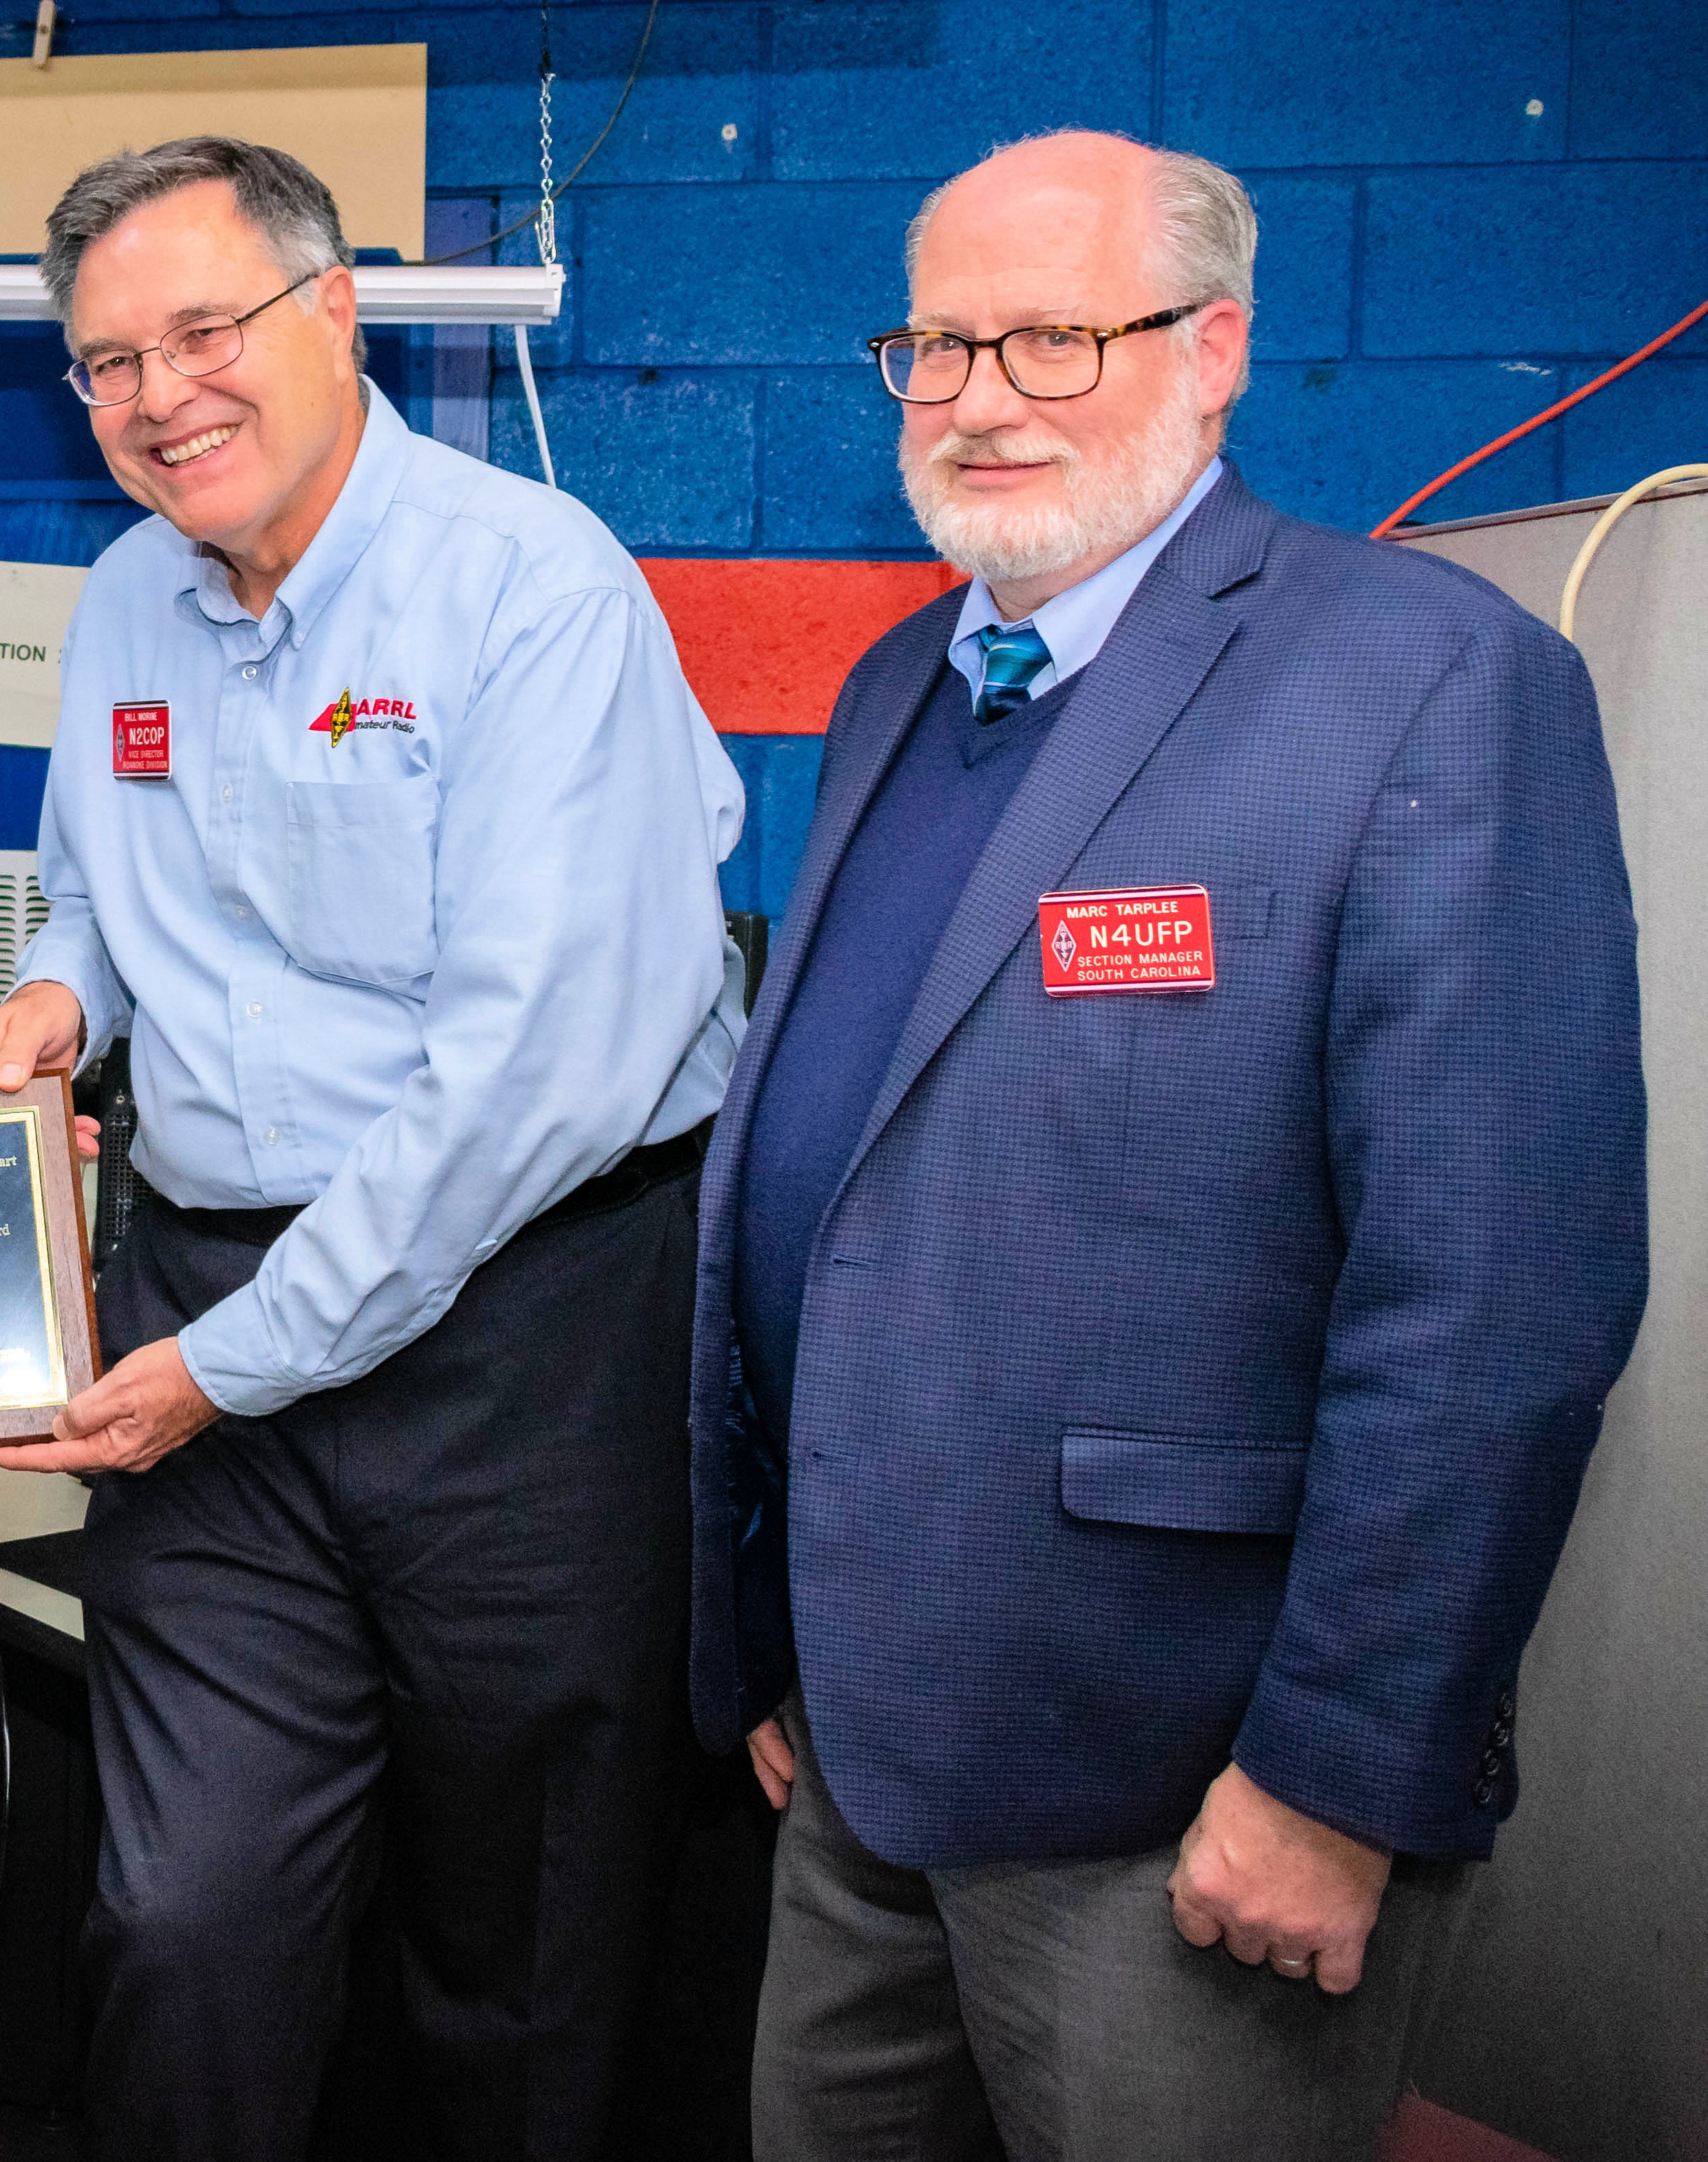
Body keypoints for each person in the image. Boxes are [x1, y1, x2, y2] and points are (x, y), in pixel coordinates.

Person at [688, 131, 1646, 2158]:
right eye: (936, 348)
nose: (978, 400)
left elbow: (1497, 1301)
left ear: (1212, 353)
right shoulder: (899, 684)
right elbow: (858, 1177)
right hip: (863, 1754)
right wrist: (778, 1634)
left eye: (1053, 339)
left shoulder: (1428, 681)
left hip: (1183, 1796)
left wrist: (1336, 1780)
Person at [0, 138, 748, 2158]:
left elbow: (529, 1079)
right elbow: (97, 891)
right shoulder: (121, 603)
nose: (159, 396)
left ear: (334, 313)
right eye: (107, 362)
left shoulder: (530, 587)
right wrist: (60, 999)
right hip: (208, 1318)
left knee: (522, 1942)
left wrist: (228, 1363)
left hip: (526, 1336)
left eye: (201, 332)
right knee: (183, 1916)